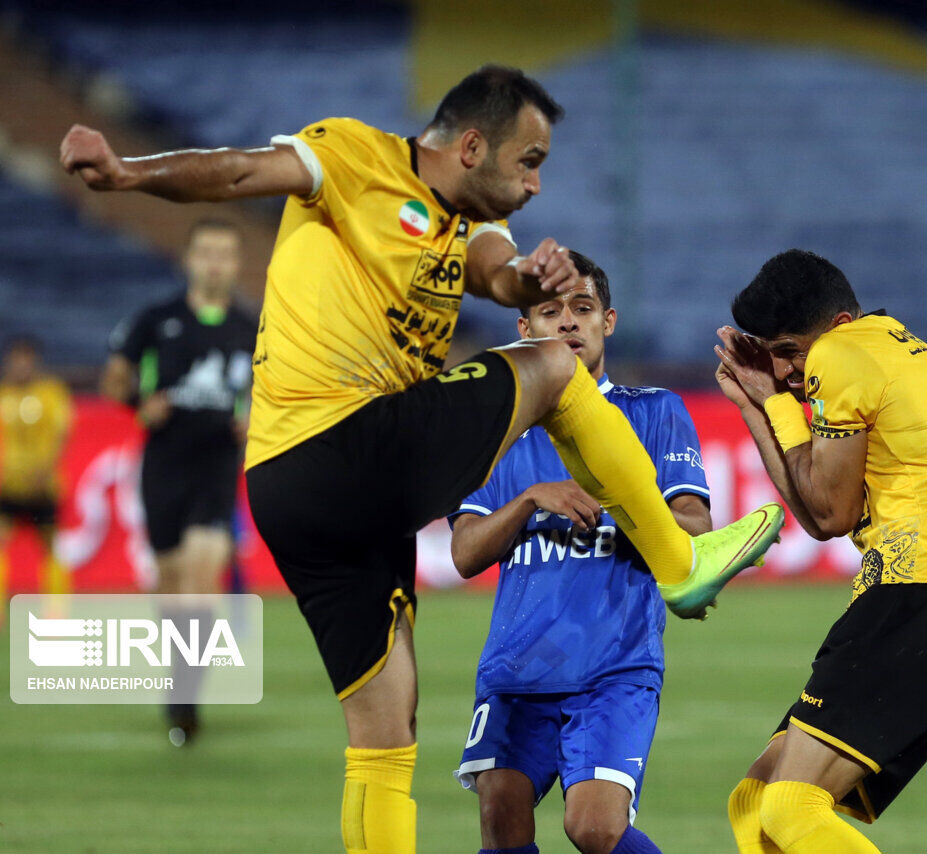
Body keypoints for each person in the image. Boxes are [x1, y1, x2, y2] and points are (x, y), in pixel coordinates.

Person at [62, 65, 782, 854]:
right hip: (342, 438)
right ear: (473, 146)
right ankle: (676, 562)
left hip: (293, 490)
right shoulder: (354, 155)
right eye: (531, 161)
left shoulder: (469, 227)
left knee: (384, 731)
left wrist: (530, 279)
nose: (538, 184)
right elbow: (237, 169)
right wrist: (127, 173)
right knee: (551, 365)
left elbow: (500, 276)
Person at [714, 250, 927, 854]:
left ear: (836, 323)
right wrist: (755, 404)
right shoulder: (889, 344)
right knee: (757, 802)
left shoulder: (840, 354)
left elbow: (828, 512)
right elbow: (821, 517)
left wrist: (772, 404)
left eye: (790, 351)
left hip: (913, 604)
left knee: (791, 807)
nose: (788, 370)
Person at [449, 251, 710, 854]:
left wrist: (620, 498)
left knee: (593, 829)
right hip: (517, 670)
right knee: (501, 815)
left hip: (614, 668)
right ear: (525, 330)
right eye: (549, 310)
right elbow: (464, 553)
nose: (568, 322)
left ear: (608, 322)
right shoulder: (495, 433)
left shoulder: (652, 412)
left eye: (583, 308)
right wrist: (531, 500)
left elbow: (695, 524)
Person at [101, 217, 257, 746]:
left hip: (216, 468)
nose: (215, 262)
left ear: (236, 263)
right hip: (164, 466)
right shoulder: (157, 318)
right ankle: (178, 684)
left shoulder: (250, 326)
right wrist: (135, 404)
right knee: (170, 587)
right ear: (190, 259)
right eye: (206, 252)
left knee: (199, 584)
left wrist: (255, 417)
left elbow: (276, 387)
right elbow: (115, 374)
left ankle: (187, 698)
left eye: (225, 253)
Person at [0, 335, 73, 612]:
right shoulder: (4, 394)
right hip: (10, 485)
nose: (20, 366)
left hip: (43, 486)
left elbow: (61, 432)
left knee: (51, 546)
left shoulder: (51, 393)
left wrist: (46, 470)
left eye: (25, 360)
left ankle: (56, 611)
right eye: (15, 360)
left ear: (35, 362)